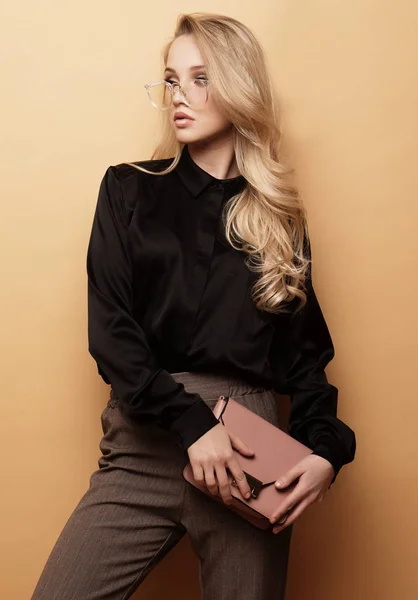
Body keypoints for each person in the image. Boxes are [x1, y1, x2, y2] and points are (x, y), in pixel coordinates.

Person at [30, 12, 356, 600]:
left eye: (200, 78)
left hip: (249, 455)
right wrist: (191, 423)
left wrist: (327, 454)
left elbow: (306, 365)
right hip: (145, 441)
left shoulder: (278, 220)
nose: (178, 96)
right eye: (172, 79)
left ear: (238, 86)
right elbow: (111, 333)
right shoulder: (129, 189)